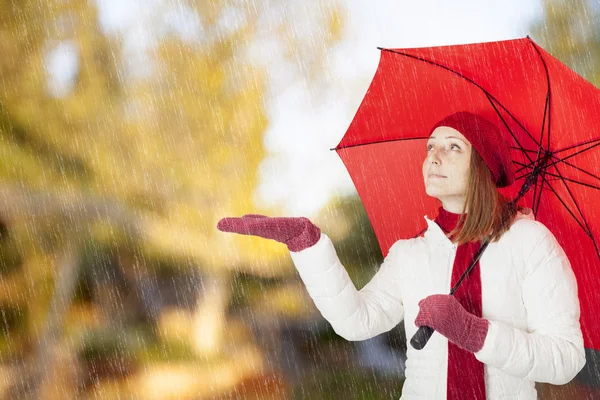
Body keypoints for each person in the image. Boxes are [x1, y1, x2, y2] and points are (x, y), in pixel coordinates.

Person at [217, 111, 586, 399]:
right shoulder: (410, 253)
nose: (434, 156)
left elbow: (566, 360)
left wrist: (474, 332)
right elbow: (357, 322)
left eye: (454, 147)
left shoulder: (530, 242)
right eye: (430, 146)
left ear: (483, 167)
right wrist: (307, 244)